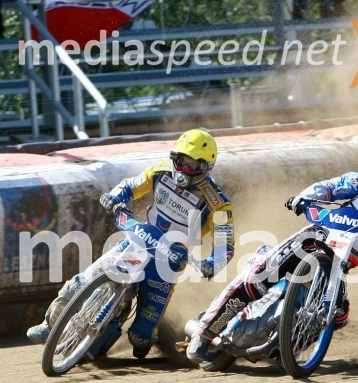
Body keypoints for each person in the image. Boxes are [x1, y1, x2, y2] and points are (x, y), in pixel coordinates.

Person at [186, 151, 358, 363]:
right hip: (316, 237)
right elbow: (333, 186)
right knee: (259, 275)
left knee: (340, 314)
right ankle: (205, 331)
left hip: (339, 267)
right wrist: (305, 197)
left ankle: (290, 346)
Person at [27, 129, 235, 359]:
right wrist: (115, 197)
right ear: (174, 157)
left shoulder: (218, 203)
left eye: (194, 165)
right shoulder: (160, 171)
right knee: (82, 281)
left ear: (207, 168)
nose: (185, 169)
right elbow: (131, 185)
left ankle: (140, 333)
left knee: (141, 339)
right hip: (139, 240)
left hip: (168, 263)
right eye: (182, 160)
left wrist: (212, 263)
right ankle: (49, 326)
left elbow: (226, 244)